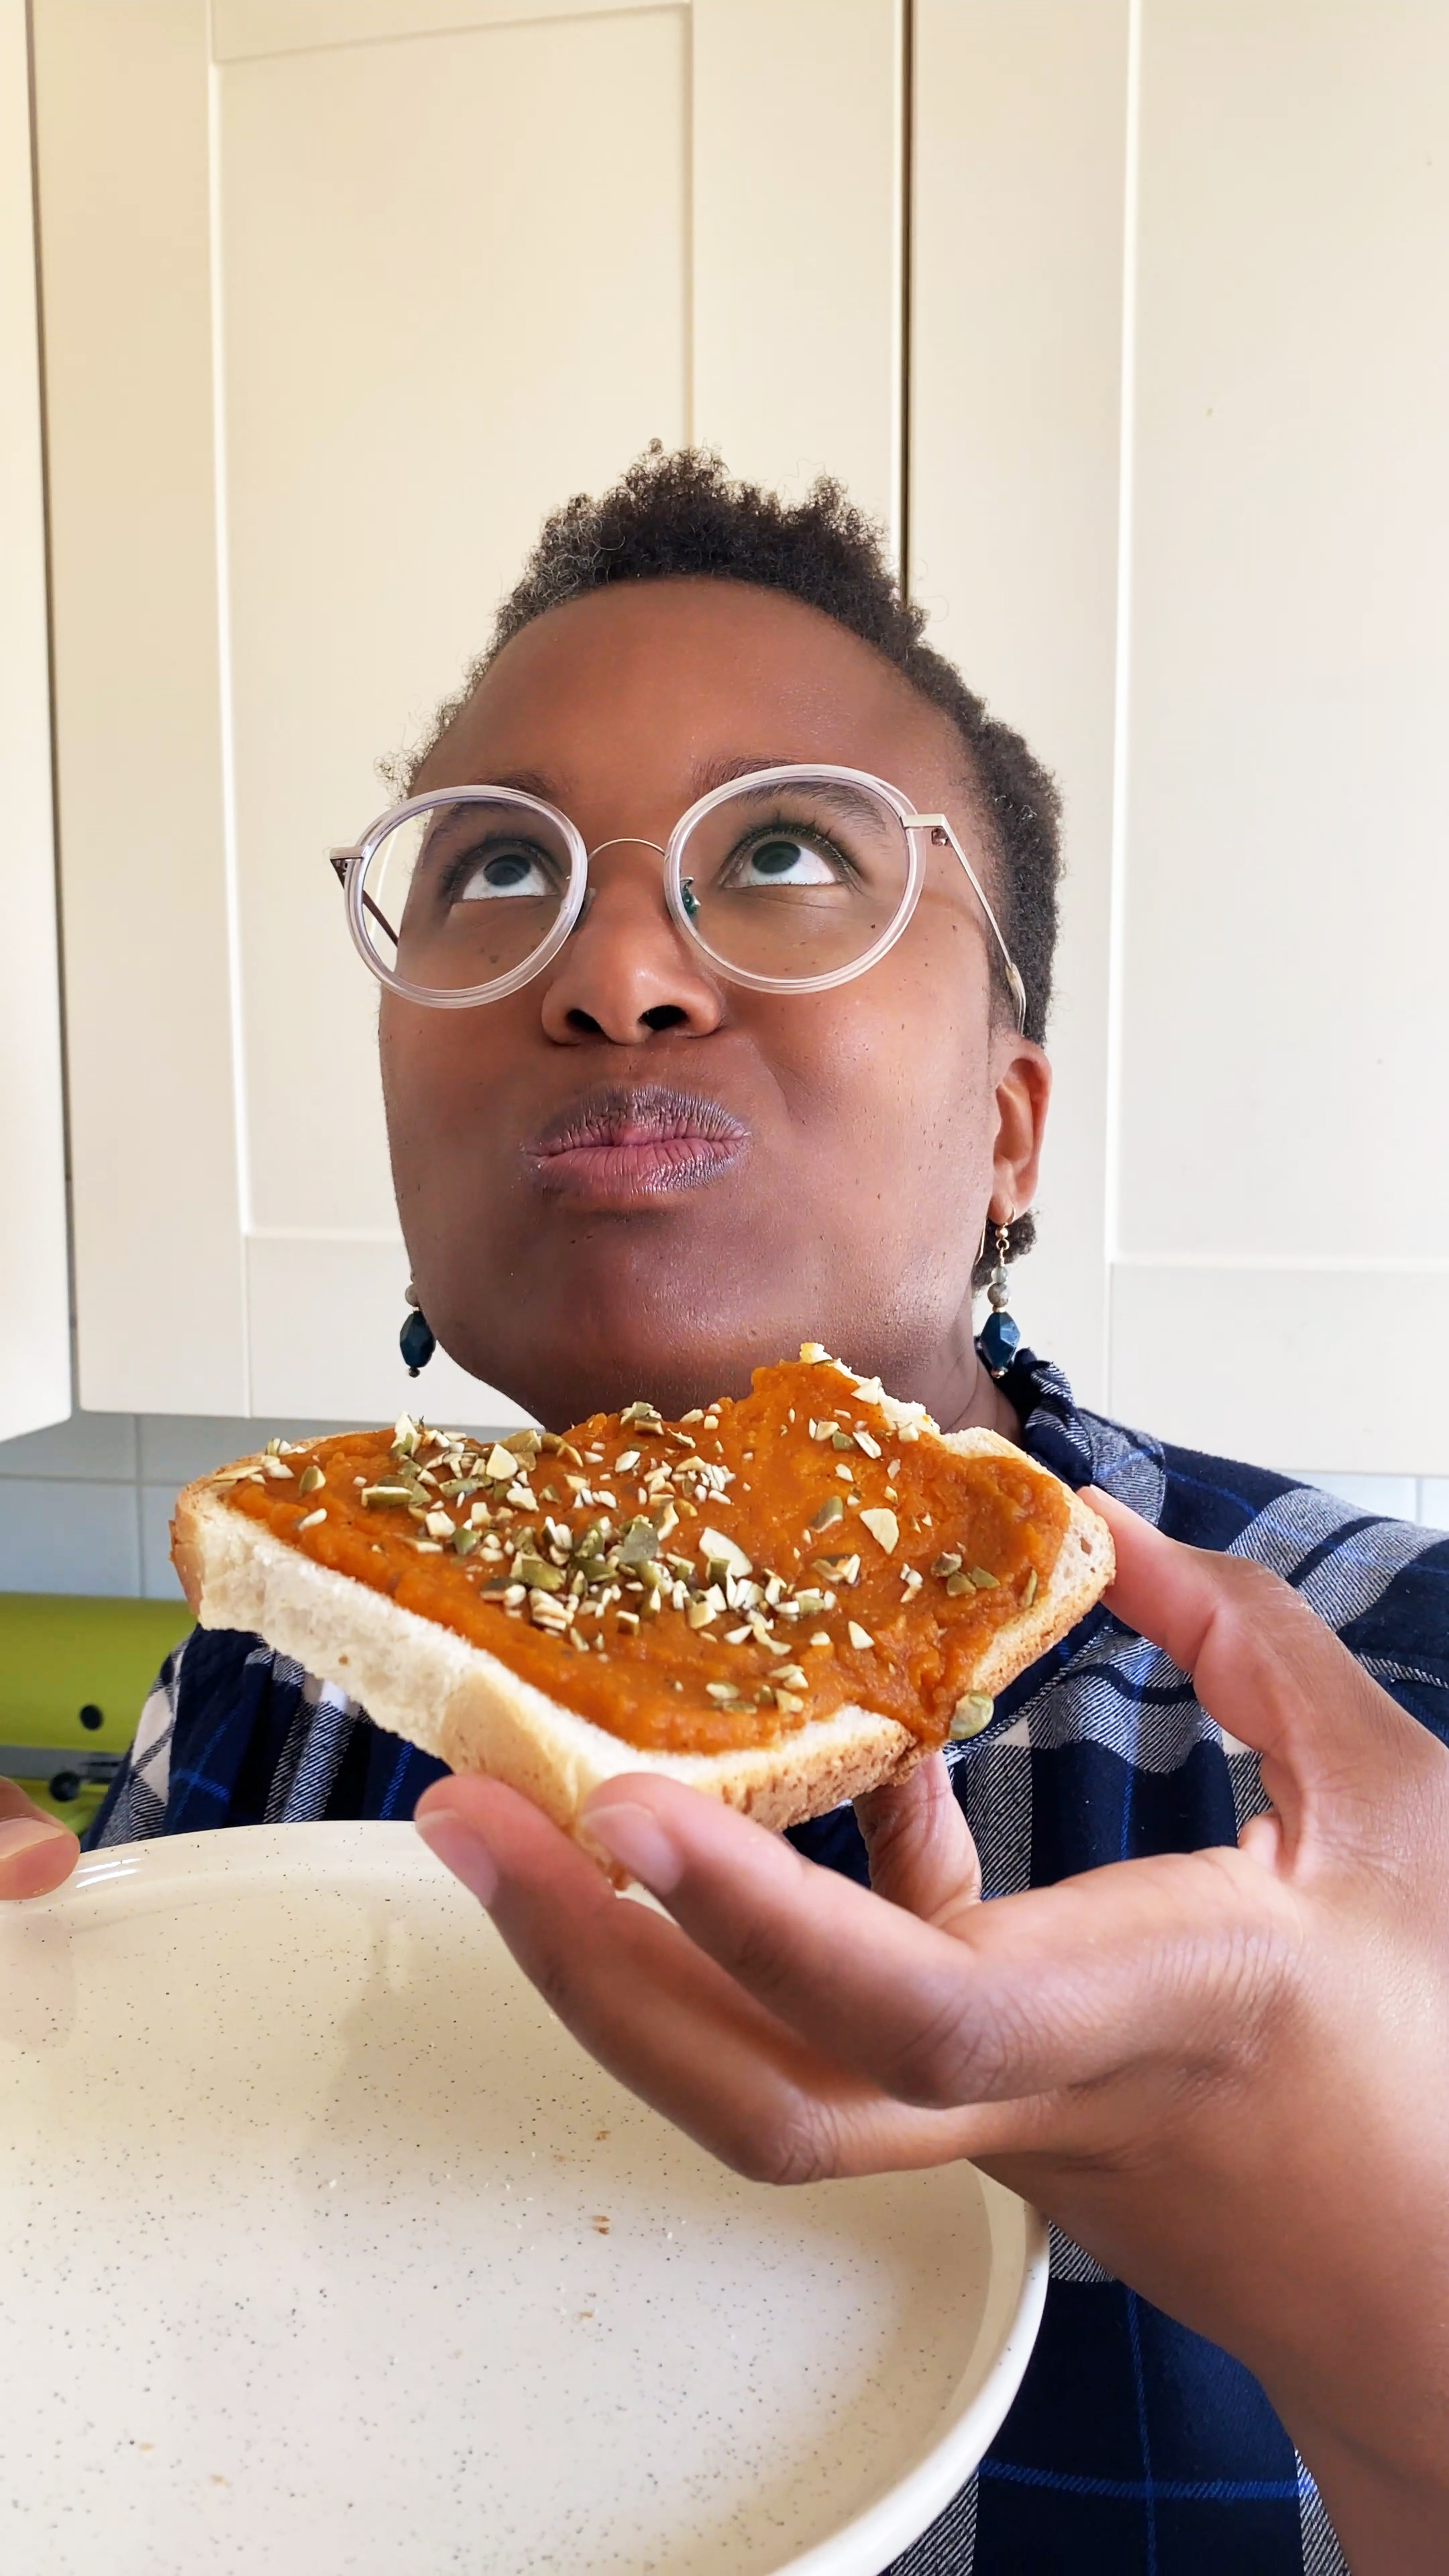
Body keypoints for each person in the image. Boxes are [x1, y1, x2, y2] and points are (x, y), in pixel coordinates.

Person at [2, 449, 1444, 2573]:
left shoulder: (1387, 1692)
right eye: (495, 875)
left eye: (776, 850)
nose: (613, 975)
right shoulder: (266, 1677)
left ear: (1010, 1128)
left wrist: (1398, 2293)